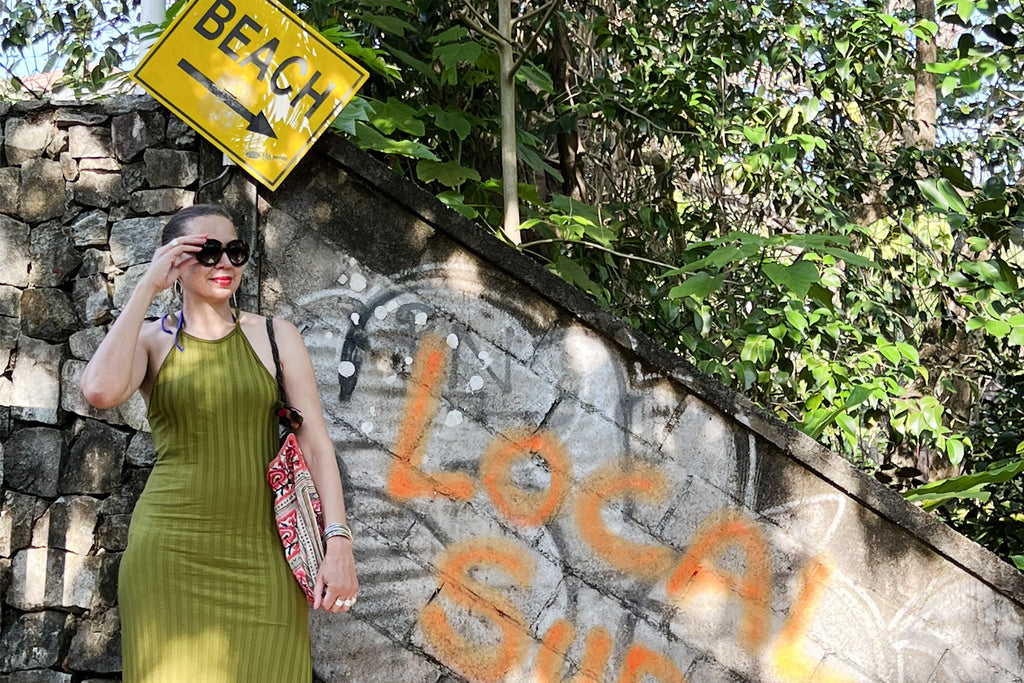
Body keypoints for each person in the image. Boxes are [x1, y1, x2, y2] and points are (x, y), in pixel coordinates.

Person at [81, 204, 357, 681]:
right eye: (206, 252)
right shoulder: (152, 340)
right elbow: (100, 390)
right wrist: (147, 286)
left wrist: (338, 541)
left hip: (264, 554)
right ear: (174, 262)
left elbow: (315, 446)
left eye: (234, 251)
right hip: (170, 552)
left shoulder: (275, 336)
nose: (224, 262)